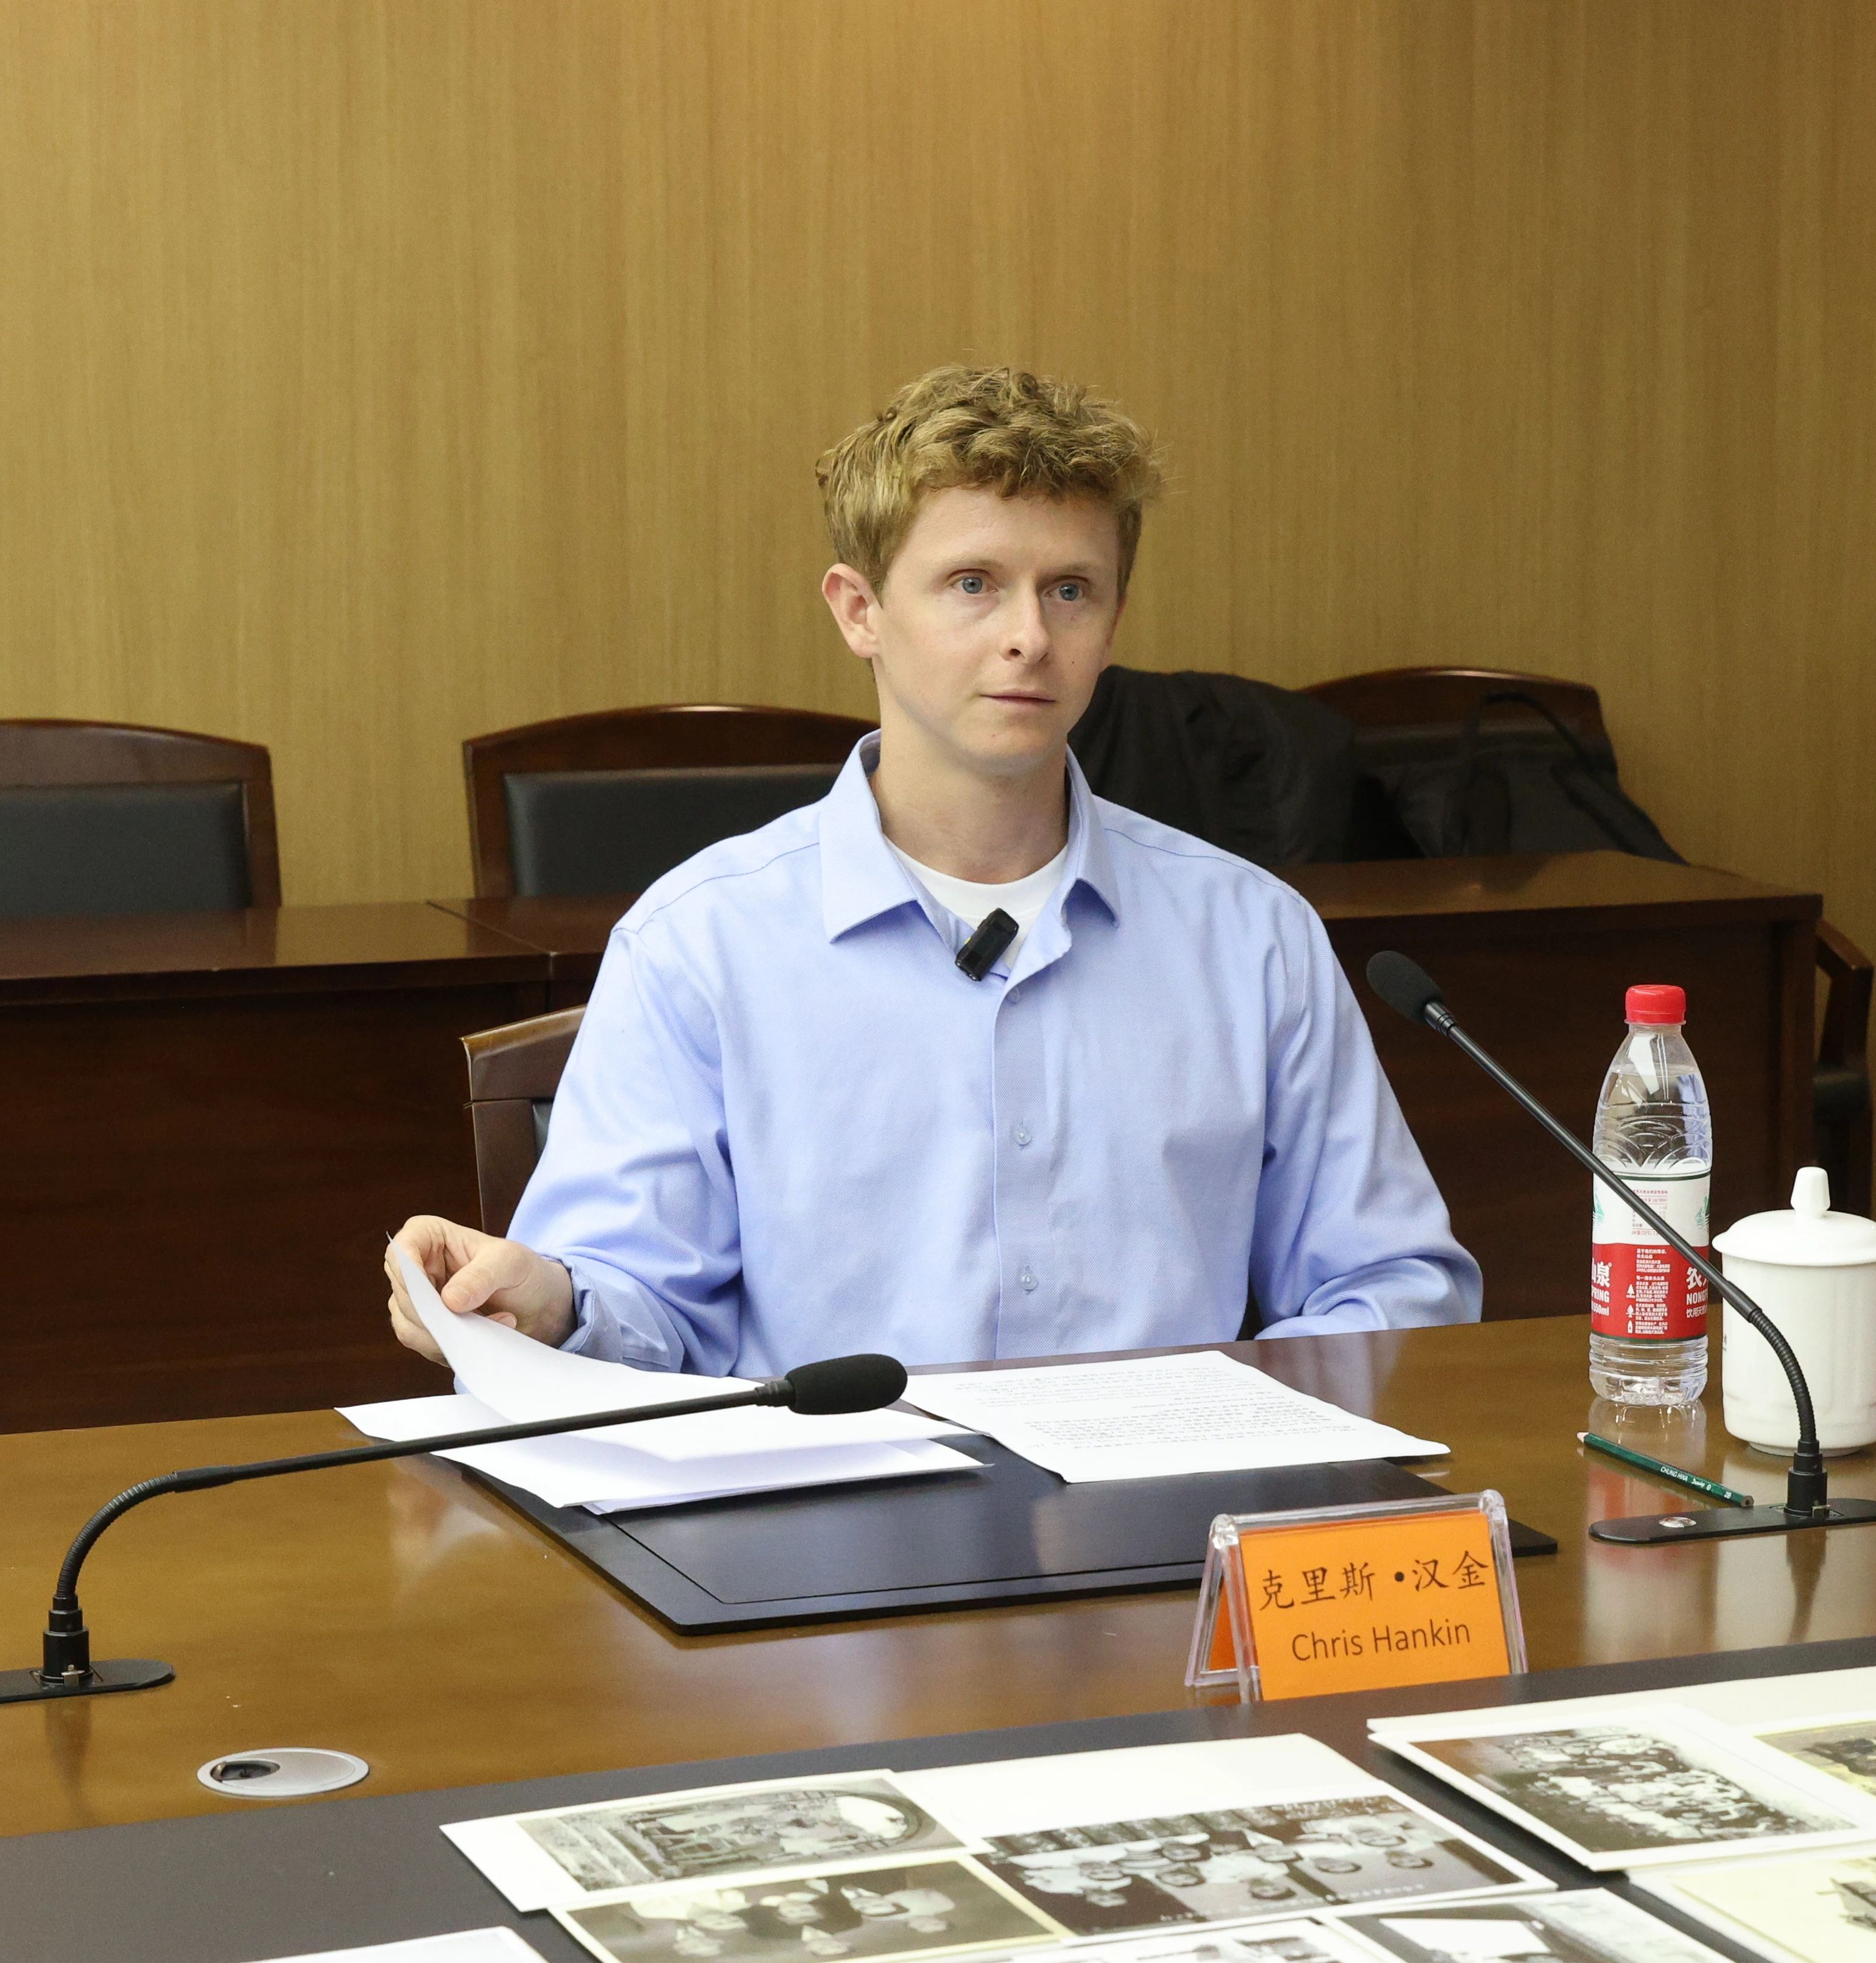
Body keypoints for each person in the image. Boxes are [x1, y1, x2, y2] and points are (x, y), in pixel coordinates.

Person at [385, 365, 1478, 1376]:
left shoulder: (1252, 935)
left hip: (1173, 1510)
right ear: (859, 610)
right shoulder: (700, 944)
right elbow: (643, 1309)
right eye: (972, 584)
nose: (1029, 637)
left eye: (1070, 590)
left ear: (1113, 623)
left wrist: (1233, 1428)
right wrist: (558, 1304)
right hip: (821, 1513)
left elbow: (1394, 1285)